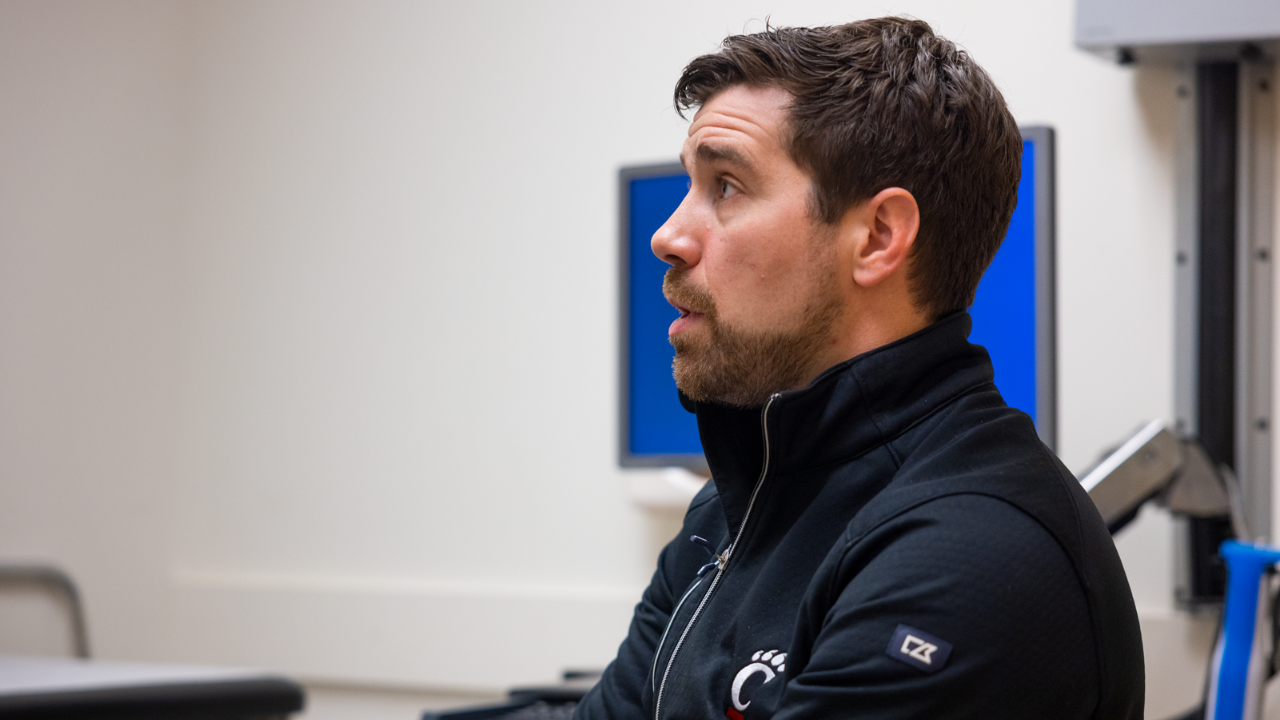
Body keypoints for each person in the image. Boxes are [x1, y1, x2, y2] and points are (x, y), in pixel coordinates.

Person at [575, 17, 1143, 720]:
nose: (668, 236)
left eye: (726, 186)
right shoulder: (730, 514)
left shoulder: (969, 553)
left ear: (876, 237)